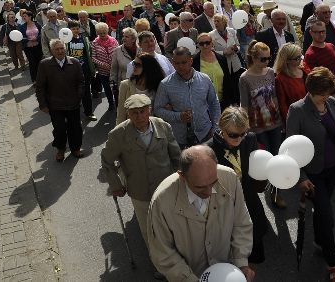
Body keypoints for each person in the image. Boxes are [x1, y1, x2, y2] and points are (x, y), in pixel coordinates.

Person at [286, 67, 335, 282]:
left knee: (321, 212)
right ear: (311, 90)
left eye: (328, 92)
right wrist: (302, 177)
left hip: (332, 169)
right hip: (312, 173)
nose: (326, 97)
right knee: (327, 215)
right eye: (322, 93)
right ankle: (332, 264)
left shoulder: (332, 104)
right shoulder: (297, 110)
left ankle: (318, 240)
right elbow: (290, 148)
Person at [147, 146, 254, 282]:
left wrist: (241, 262)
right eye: (200, 187)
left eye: (214, 183)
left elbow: (241, 223)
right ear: (182, 176)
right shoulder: (161, 200)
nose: (209, 192)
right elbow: (162, 252)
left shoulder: (229, 178)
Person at [101, 94, 180, 245]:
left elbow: (176, 155)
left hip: (166, 187)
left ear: (149, 110)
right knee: (148, 229)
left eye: (143, 111)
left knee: (171, 225)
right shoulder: (118, 134)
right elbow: (106, 161)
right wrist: (116, 185)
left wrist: (181, 178)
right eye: (134, 113)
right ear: (128, 114)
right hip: (139, 190)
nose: (139, 116)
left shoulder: (162, 126)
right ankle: (157, 262)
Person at [204, 107, 267, 268]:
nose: (239, 139)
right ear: (221, 129)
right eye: (233, 135)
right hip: (224, 206)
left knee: (253, 244)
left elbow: (254, 167)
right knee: (230, 249)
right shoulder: (208, 150)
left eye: (243, 133)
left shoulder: (250, 139)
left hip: (249, 201)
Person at [239, 41, 285, 208]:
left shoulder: (271, 72)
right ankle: (267, 187)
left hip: (275, 122)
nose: (267, 62)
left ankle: (277, 192)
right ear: (253, 58)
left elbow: (275, 98)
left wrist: (282, 119)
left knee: (277, 158)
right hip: (257, 126)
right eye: (263, 59)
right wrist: (244, 128)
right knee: (267, 160)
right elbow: (243, 105)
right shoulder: (244, 78)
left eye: (268, 58)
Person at [154, 47, 221, 148]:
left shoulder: (204, 79)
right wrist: (178, 116)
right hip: (180, 139)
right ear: (172, 63)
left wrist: (215, 129)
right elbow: (158, 110)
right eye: (177, 63)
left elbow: (214, 103)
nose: (180, 66)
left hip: (205, 135)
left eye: (184, 62)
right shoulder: (165, 84)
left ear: (191, 61)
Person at [36, 39, 85, 162]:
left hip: (73, 103)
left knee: (76, 128)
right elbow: (40, 86)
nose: (60, 51)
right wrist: (42, 104)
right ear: (52, 51)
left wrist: (78, 96)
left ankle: (76, 148)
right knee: (59, 129)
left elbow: (81, 82)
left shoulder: (75, 62)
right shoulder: (44, 64)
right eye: (56, 49)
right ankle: (61, 149)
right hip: (55, 105)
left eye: (62, 48)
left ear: (65, 49)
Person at [304, 20, 335, 132]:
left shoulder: (331, 46)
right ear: (311, 33)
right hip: (326, 97)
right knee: (333, 128)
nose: (321, 34)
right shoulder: (310, 54)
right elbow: (314, 82)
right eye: (317, 32)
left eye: (323, 31)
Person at [116, 54, 165, 126]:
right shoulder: (125, 85)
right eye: (134, 63)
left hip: (153, 127)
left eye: (138, 65)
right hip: (133, 127)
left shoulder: (158, 85)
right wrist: (119, 132)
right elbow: (121, 112)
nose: (134, 67)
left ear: (148, 67)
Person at [192, 33, 239, 109]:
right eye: (201, 43)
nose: (205, 46)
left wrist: (233, 102)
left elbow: (228, 80)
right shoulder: (194, 62)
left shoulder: (221, 59)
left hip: (223, 102)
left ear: (212, 43)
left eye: (207, 42)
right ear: (198, 45)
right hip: (203, 104)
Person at [65, 20, 96, 121]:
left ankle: (89, 112)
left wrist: (92, 68)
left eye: (77, 28)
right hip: (71, 71)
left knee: (86, 91)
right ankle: (73, 114)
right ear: (69, 30)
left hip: (84, 70)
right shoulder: (65, 40)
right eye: (73, 29)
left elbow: (88, 53)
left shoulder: (84, 38)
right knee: (73, 93)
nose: (75, 30)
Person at [273, 43, 306, 130]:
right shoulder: (280, 79)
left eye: (300, 56)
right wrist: (291, 124)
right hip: (298, 120)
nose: (300, 60)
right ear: (287, 61)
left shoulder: (305, 70)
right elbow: (283, 106)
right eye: (297, 58)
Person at [92, 22, 119, 112]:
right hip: (103, 71)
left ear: (107, 31)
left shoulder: (114, 41)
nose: (103, 35)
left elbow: (118, 53)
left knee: (116, 88)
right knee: (107, 88)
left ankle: (117, 103)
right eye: (100, 33)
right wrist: (102, 64)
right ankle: (110, 103)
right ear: (97, 33)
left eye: (104, 32)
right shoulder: (95, 43)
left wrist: (114, 63)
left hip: (114, 69)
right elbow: (93, 57)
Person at [19, 10, 43, 83]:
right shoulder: (22, 27)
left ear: (30, 17)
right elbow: (20, 37)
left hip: (38, 47)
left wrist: (36, 39)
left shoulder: (37, 24)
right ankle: (34, 80)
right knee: (32, 63)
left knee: (39, 63)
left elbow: (42, 34)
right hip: (28, 48)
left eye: (25, 16)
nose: (23, 18)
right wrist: (28, 39)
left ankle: (41, 79)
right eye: (23, 17)